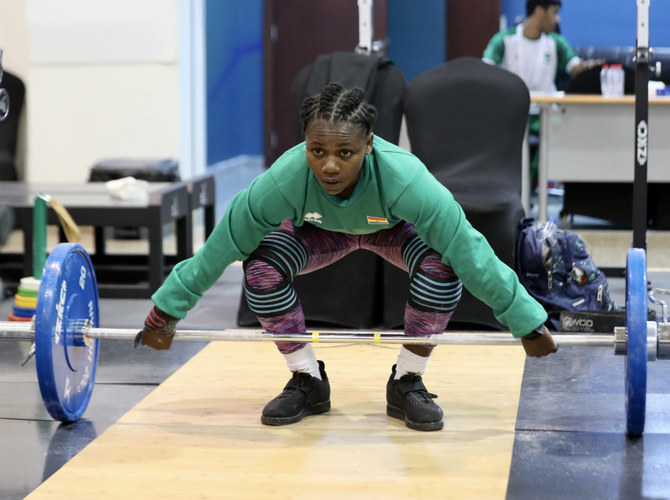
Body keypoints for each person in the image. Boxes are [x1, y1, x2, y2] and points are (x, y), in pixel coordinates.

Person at [134, 83, 557, 432]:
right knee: (260, 268)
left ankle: (407, 382)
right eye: (317, 151)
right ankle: (307, 379)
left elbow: (470, 250)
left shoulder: (406, 180)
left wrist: (524, 318)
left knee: (443, 266)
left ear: (369, 145)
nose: (330, 167)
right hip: (319, 233)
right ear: (305, 145)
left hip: (392, 231)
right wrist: (167, 309)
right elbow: (224, 244)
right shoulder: (285, 178)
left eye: (345, 153)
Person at [482, 0, 603, 186]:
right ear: (539, 11)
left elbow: (577, 68)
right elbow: (485, 69)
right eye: (554, 12)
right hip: (514, 115)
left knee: (562, 132)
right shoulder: (504, 40)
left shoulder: (556, 42)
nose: (557, 19)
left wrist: (594, 67)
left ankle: (532, 188)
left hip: (547, 115)